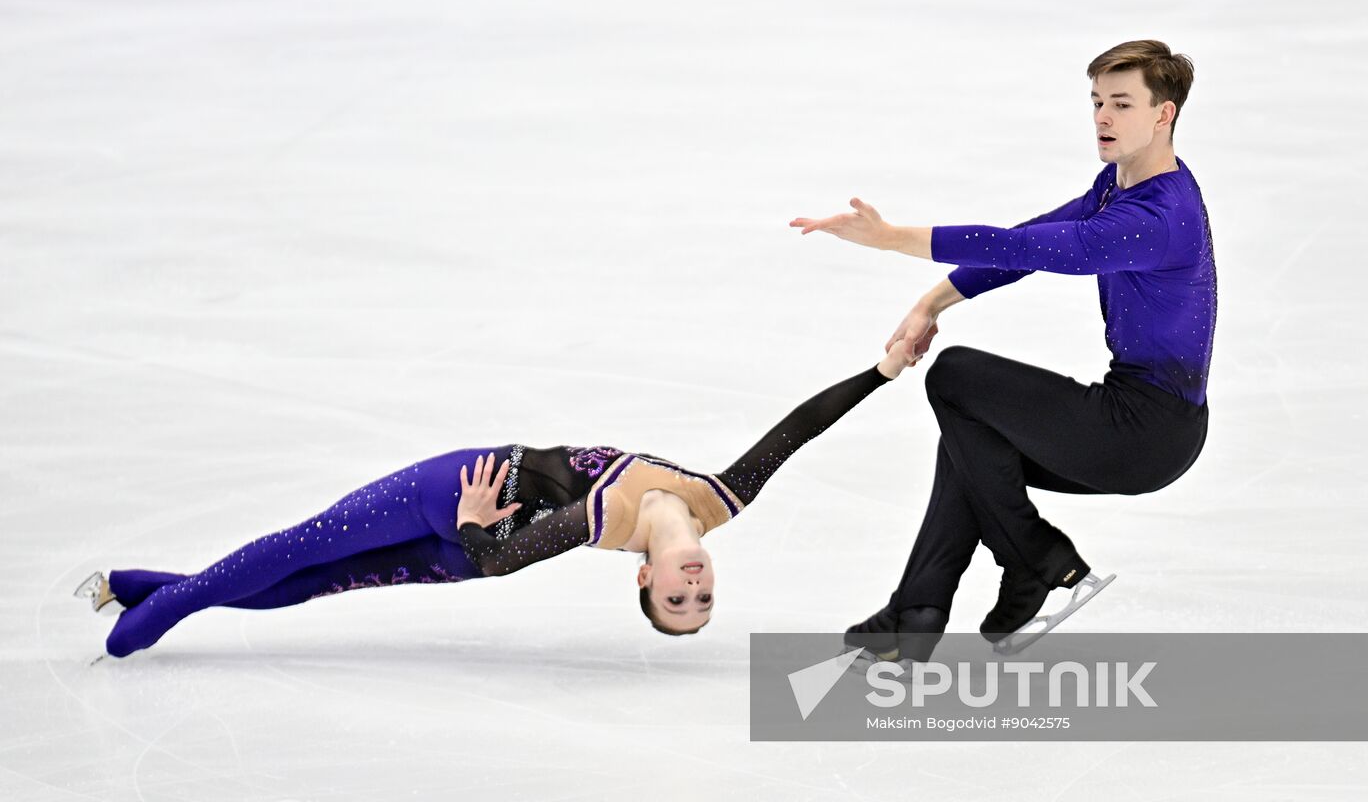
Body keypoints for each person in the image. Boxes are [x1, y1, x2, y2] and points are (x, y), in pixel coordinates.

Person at [81, 340, 917, 658]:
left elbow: (504, 555)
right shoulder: (720, 500)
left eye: (677, 599)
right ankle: (154, 597)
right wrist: (881, 373)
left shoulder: (600, 518)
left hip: (461, 507)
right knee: (305, 550)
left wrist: (478, 525)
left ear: (644, 582)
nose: (693, 583)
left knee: (311, 572)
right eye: (702, 595)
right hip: (462, 512)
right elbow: (800, 427)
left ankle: (150, 597)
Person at [790, 40, 1215, 659]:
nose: (1102, 117)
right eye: (1097, 101)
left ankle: (1039, 557)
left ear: (1163, 114)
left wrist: (889, 239)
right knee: (972, 436)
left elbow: (1028, 251)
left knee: (958, 376)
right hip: (1141, 420)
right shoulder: (1119, 184)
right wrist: (932, 301)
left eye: (1122, 104)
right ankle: (920, 609)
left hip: (1146, 432)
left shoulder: (1157, 217)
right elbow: (1028, 239)